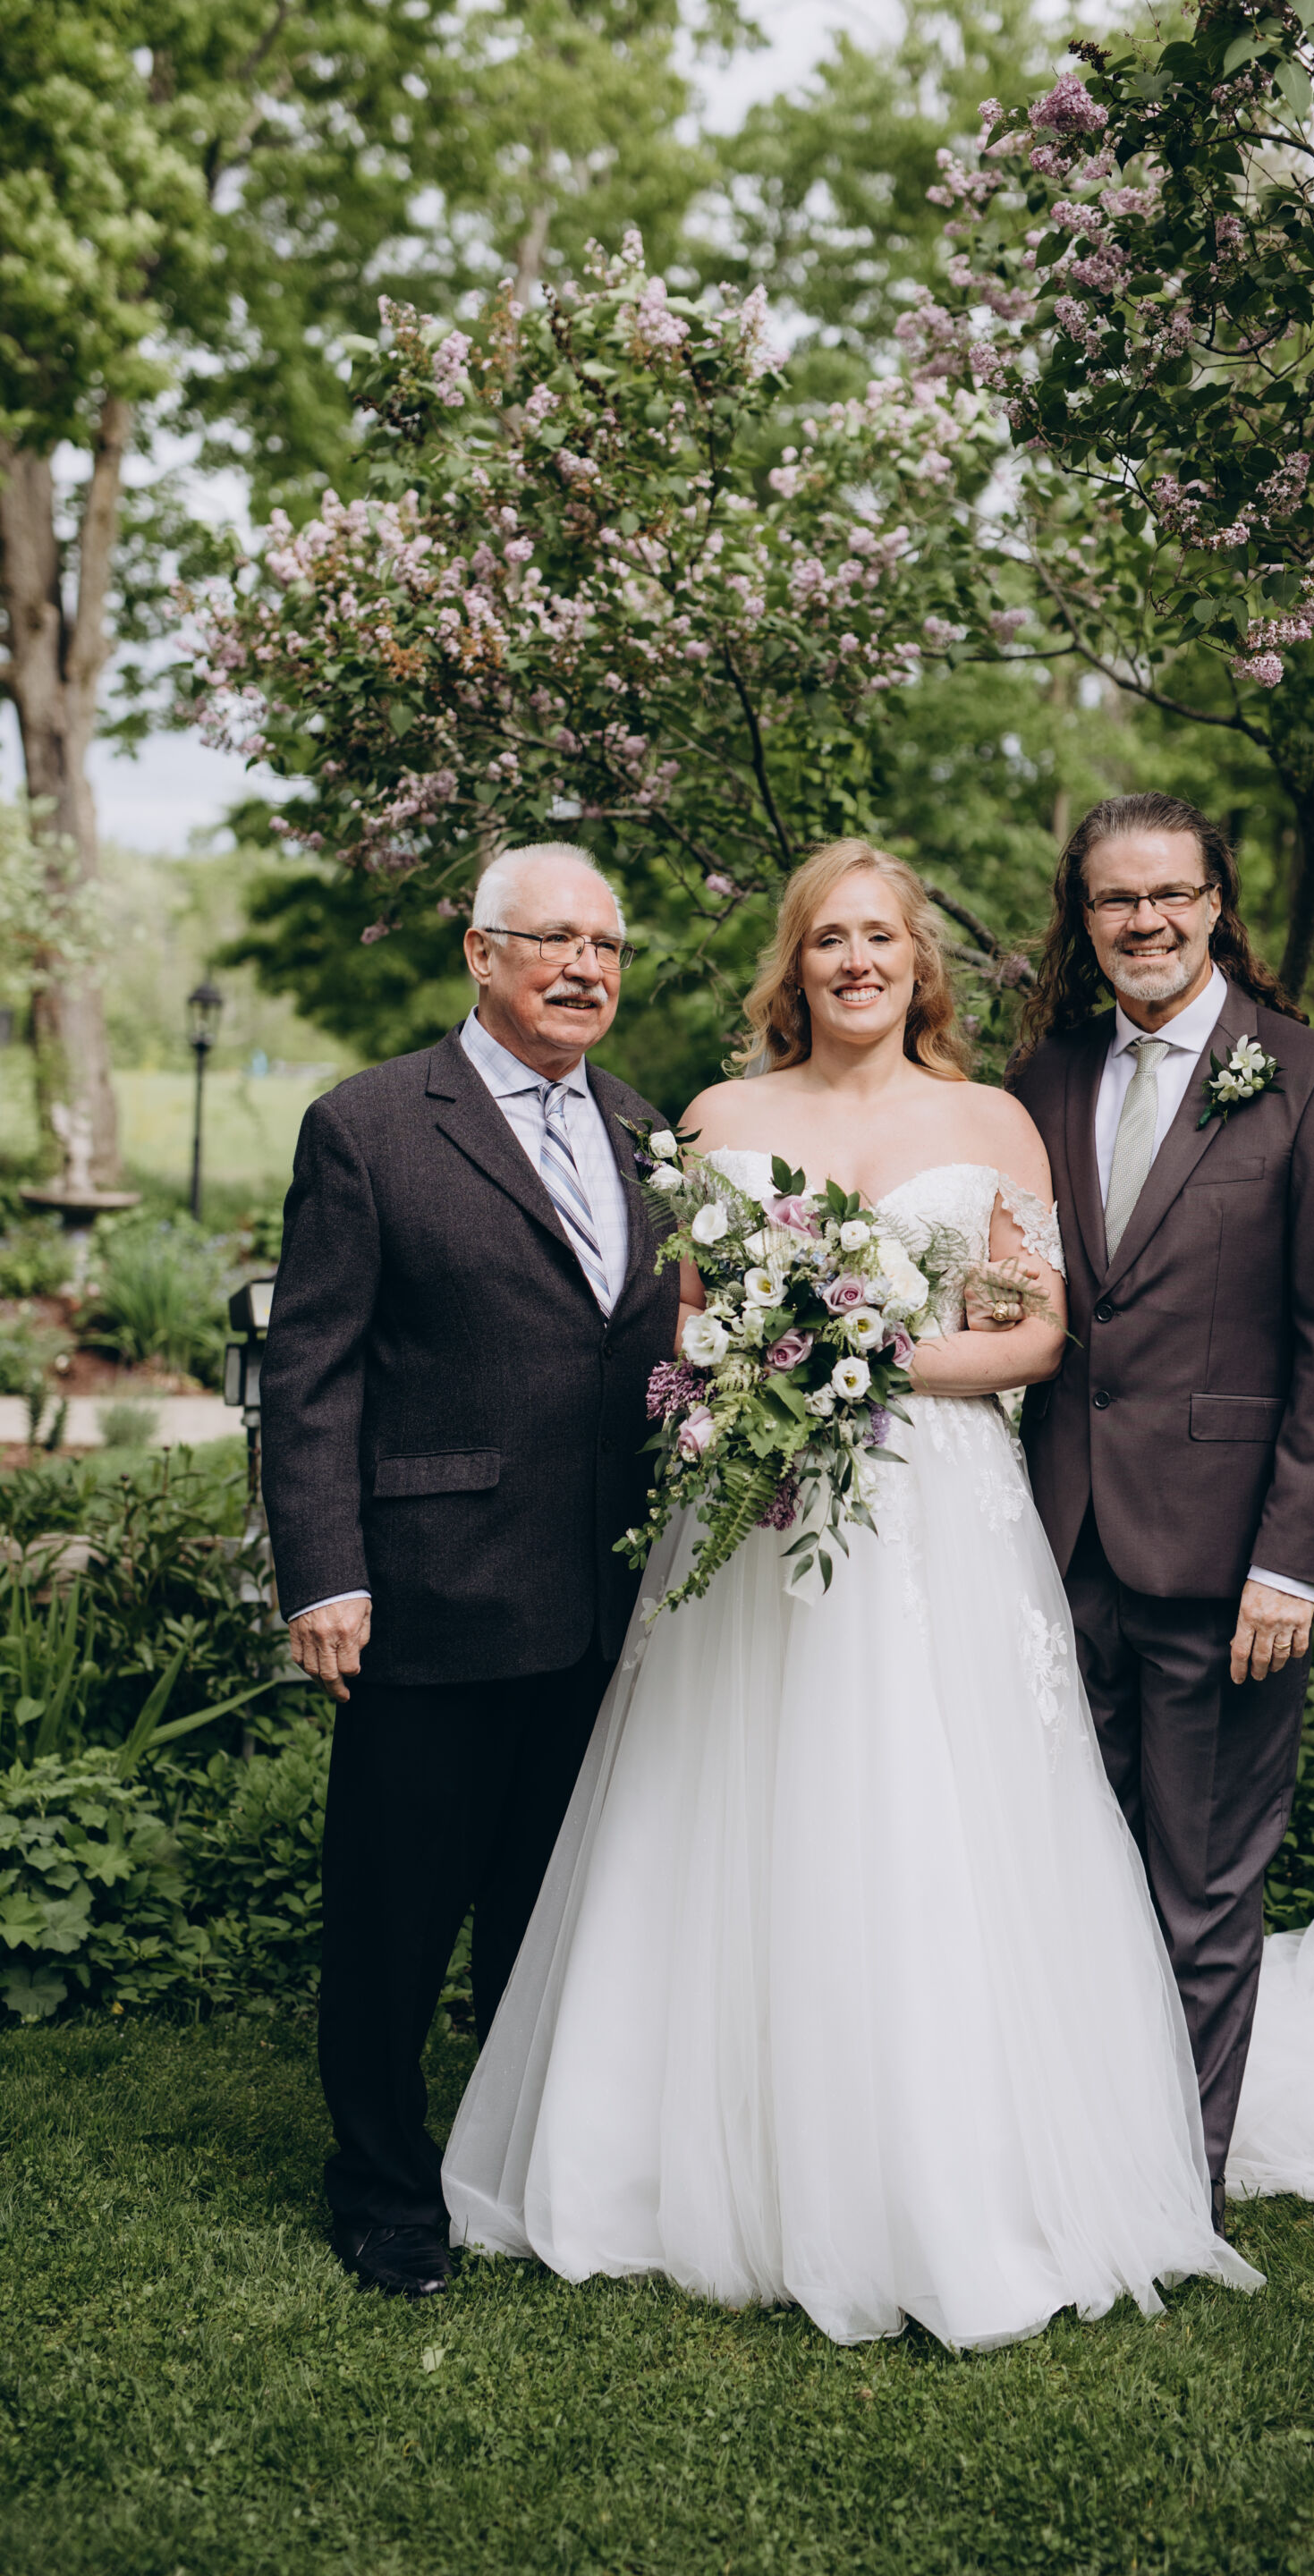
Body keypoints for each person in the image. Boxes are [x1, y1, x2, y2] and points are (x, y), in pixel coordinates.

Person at [441, 838, 1314, 2350]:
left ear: (918, 963)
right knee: (727, 1816)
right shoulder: (721, 1118)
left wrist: (862, 1358)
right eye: (829, 939)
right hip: (761, 1518)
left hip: (932, 1511)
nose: (857, 961)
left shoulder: (996, 1119)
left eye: (882, 937)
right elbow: (681, 1315)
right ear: (794, 963)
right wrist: (759, 1367)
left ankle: (956, 2173)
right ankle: (690, 2164)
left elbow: (1038, 1332)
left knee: (930, 1825)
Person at [262, 841, 679, 2298]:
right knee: (394, 1918)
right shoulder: (370, 1124)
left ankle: (512, 2166)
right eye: (554, 940)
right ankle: (381, 2188)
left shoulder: (647, 1131)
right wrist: (324, 1575)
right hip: (430, 1591)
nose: (585, 969)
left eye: (606, 947)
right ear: (481, 954)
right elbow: (309, 1373)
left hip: (604, 1599)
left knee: (544, 1914)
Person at [1006, 791, 1314, 2233]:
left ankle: (1181, 2190)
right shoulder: (1045, 1079)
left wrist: (1292, 1564)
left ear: (1217, 903)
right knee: (1073, 1878)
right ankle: (1077, 2158)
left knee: (1204, 1893)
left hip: (1230, 1569)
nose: (1147, 922)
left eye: (1172, 894)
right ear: (1085, 918)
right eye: (1118, 899)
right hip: (1058, 1550)